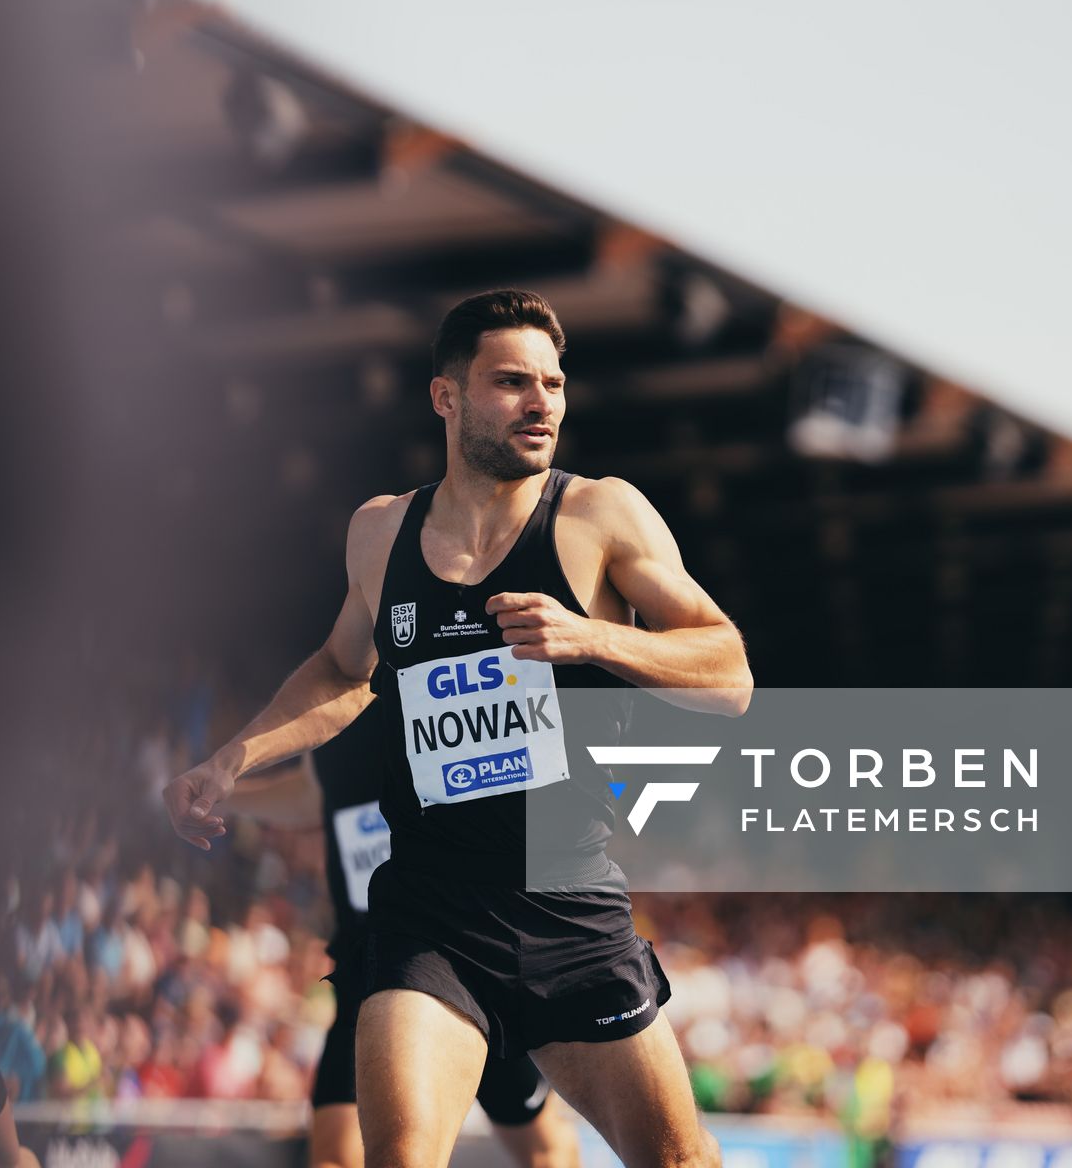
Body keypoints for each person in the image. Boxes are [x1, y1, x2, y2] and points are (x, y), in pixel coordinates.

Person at [165, 289, 752, 1168]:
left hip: (567, 907)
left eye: (553, 383)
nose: (542, 402)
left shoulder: (597, 515)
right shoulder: (380, 532)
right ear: (447, 397)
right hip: (426, 912)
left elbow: (730, 671)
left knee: (678, 1161)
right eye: (513, 381)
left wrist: (592, 635)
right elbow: (339, 669)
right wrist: (233, 756)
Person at [222, 696, 582, 1168]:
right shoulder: (332, 709)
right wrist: (225, 796)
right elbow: (316, 792)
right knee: (335, 1157)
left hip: (465, 960)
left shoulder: (446, 689)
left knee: (544, 1149)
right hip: (368, 969)